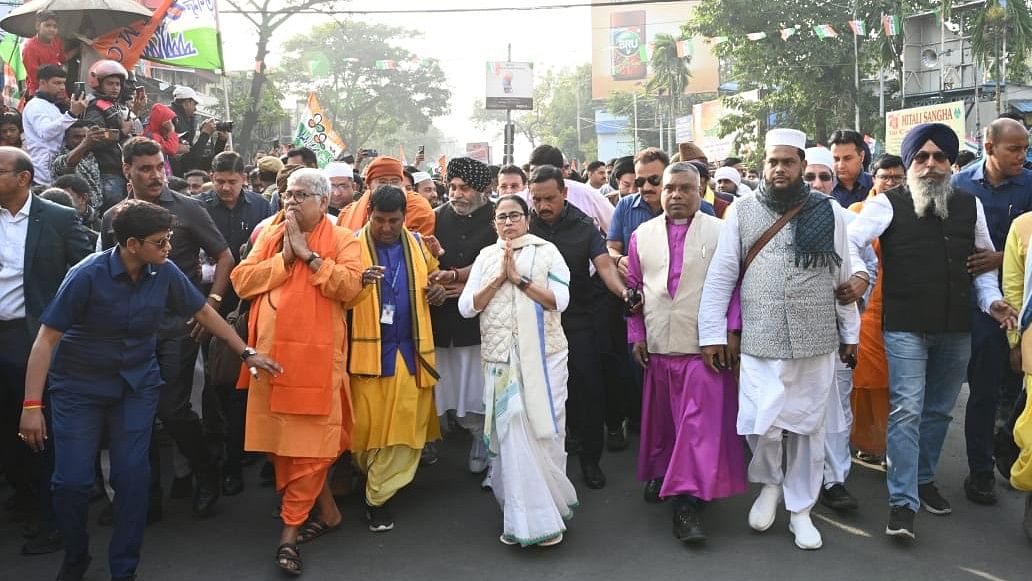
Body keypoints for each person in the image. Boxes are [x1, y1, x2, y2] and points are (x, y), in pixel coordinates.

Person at [18, 199, 280, 581]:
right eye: (160, 242)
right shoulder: (86, 275)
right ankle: (76, 556)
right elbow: (46, 340)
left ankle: (124, 568)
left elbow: (203, 312)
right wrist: (31, 405)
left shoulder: (165, 271)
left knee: (132, 478)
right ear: (131, 244)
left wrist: (246, 352)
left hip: (135, 387)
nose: (168, 248)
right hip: (79, 389)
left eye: (169, 239)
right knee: (70, 482)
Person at [848, 122, 1017, 540]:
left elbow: (979, 265)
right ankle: (902, 502)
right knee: (907, 409)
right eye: (920, 157)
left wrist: (990, 301)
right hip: (904, 325)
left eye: (939, 157)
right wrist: (861, 275)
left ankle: (922, 480)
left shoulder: (968, 205)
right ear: (908, 164)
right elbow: (849, 241)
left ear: (950, 162)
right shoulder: (887, 204)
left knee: (939, 410)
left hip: (956, 327)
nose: (930, 165)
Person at [699, 128, 861, 551]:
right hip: (761, 338)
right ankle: (770, 483)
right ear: (764, 163)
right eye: (773, 161)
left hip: (816, 338)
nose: (779, 169)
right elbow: (721, 276)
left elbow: (842, 279)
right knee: (761, 422)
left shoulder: (829, 211)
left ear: (802, 166)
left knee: (809, 426)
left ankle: (802, 509)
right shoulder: (741, 211)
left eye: (788, 162)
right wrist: (713, 334)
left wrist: (851, 332)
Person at [230, 168, 363, 575]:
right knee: (285, 448)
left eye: (301, 195)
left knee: (312, 449)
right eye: (287, 193)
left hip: (318, 364)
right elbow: (242, 281)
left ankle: (289, 535)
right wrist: (284, 258)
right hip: (272, 362)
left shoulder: (343, 239)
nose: (290, 201)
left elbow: (352, 289)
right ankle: (328, 512)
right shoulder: (268, 233)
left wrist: (310, 256)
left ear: (324, 203)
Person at [100, 137, 234, 519]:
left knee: (172, 408)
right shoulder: (114, 217)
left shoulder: (188, 208)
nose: (156, 175)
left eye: (160, 166)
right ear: (127, 170)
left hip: (180, 324)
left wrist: (212, 303)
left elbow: (225, 255)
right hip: (132, 329)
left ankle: (206, 472)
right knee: (133, 412)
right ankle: (147, 494)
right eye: (145, 168)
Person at [627, 161, 747, 543]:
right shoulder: (641, 234)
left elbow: (736, 288)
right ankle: (665, 474)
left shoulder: (722, 231)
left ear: (701, 191)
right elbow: (633, 289)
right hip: (660, 346)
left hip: (703, 350)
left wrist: (731, 333)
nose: (676, 195)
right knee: (665, 424)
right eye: (669, 189)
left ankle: (686, 505)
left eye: (685, 188)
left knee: (697, 428)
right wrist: (637, 334)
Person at [458, 194, 577, 547]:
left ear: (527, 219)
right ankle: (523, 518)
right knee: (511, 432)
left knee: (546, 429)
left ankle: (549, 509)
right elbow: (467, 307)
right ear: (493, 223)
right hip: (501, 360)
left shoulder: (547, 251)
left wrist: (520, 280)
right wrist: (499, 278)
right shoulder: (485, 257)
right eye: (501, 217)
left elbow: (560, 300)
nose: (508, 222)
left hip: (545, 357)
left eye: (514, 216)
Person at [0, 147, 91, 554]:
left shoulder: (58, 219)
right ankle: (22, 498)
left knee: (38, 430)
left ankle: (52, 517)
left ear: (23, 178)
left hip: (33, 339)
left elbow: (86, 274)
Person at [347, 186, 445, 533]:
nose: (386, 228)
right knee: (365, 432)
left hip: (409, 354)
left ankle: (377, 498)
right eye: (379, 220)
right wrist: (355, 283)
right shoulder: (348, 247)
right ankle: (373, 477)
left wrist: (437, 292)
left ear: (405, 217)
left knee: (404, 426)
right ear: (368, 214)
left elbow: (435, 279)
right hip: (366, 358)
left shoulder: (419, 244)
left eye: (393, 220)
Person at [528, 165, 629, 489]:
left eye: (550, 199)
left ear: (565, 194)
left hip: (578, 318)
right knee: (540, 390)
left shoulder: (585, 226)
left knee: (588, 389)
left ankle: (590, 460)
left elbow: (603, 266)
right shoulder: (523, 223)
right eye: (537, 198)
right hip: (533, 320)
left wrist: (624, 292)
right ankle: (544, 459)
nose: (543, 206)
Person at [953, 117, 1032, 506]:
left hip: (1026, 305)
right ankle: (981, 471)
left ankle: (1010, 446)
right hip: (980, 305)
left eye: (1025, 148)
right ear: (989, 148)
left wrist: (1001, 257)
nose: (1022, 155)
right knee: (983, 390)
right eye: (1014, 148)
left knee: (1019, 385)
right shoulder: (960, 185)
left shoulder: (1031, 185)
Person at [429, 158, 496, 477]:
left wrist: (463, 283)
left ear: (483, 191)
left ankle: (481, 439)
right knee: (443, 385)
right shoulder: (435, 217)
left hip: (481, 323)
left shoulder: (500, 218)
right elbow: (423, 261)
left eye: (465, 188)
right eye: (453, 187)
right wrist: (436, 283)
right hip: (442, 320)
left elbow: (500, 261)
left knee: (478, 390)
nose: (457, 194)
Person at [846, 154, 906, 464]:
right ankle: (865, 441)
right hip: (865, 310)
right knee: (864, 380)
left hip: (899, 305)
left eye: (897, 177)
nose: (891, 183)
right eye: (885, 177)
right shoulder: (858, 213)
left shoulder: (910, 212)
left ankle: (891, 444)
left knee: (895, 381)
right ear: (874, 179)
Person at [336, 156, 436, 236]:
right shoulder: (347, 213)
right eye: (382, 182)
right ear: (369, 185)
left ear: (402, 184)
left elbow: (421, 250)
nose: (389, 187)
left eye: (394, 182)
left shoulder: (419, 207)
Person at [21, 65, 87, 186]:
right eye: (57, 83)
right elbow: (46, 132)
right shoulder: (35, 105)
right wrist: (72, 114)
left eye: (63, 83)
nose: (62, 87)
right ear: (42, 83)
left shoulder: (53, 106)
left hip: (56, 170)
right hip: (42, 174)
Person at [82, 60, 133, 214]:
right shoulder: (94, 106)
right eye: (110, 83)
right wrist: (122, 132)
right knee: (113, 210)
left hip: (118, 169)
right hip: (107, 170)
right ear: (99, 84)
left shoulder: (113, 105)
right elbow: (95, 135)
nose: (115, 88)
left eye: (118, 84)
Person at [527, 145, 614, 233]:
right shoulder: (521, 200)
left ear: (561, 171)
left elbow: (615, 229)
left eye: (550, 198)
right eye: (533, 171)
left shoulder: (587, 195)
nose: (538, 176)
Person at [169, 86, 229, 177]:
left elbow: (203, 164)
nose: (195, 109)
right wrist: (205, 134)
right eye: (195, 104)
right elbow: (188, 163)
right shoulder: (172, 119)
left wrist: (221, 141)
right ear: (186, 103)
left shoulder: (187, 121)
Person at [20, 11, 77, 101]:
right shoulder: (29, 48)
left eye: (55, 27)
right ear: (38, 26)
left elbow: (63, 59)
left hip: (58, 89)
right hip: (40, 93)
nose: (52, 29)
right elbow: (36, 79)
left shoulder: (57, 41)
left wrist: (79, 49)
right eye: (48, 25)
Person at [51, 122, 105, 211]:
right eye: (77, 137)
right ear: (66, 139)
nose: (83, 140)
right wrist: (85, 143)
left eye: (85, 136)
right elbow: (69, 163)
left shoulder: (92, 155)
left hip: (94, 213)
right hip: (70, 211)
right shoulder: (58, 157)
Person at [829, 129, 873, 207]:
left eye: (847, 158)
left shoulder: (874, 185)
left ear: (861, 156)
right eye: (836, 159)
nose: (841, 165)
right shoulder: (825, 187)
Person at [142, 103, 183, 174]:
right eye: (166, 128)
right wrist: (171, 130)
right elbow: (171, 149)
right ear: (160, 124)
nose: (167, 132)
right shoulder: (151, 136)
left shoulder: (155, 134)